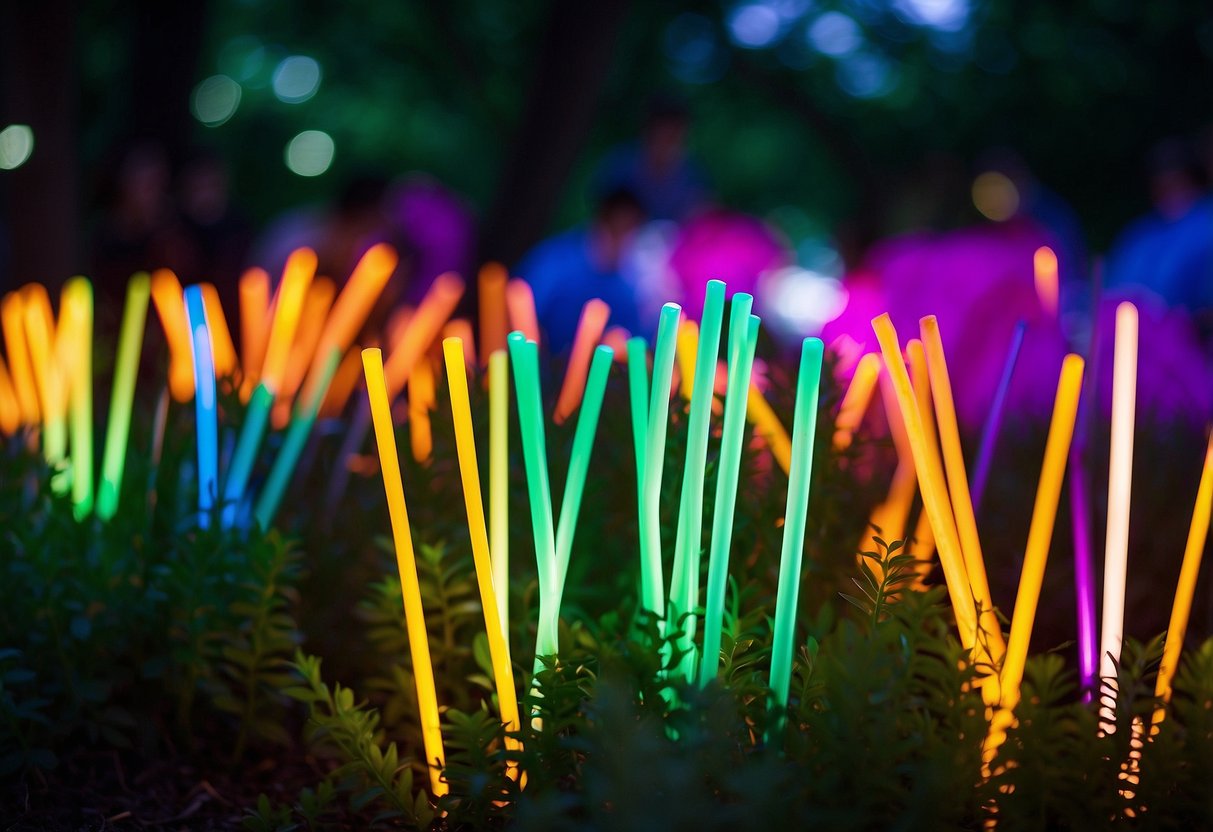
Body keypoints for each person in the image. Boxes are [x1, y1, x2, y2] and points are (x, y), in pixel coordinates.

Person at [515, 188, 646, 352]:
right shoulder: (555, 261)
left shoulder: (627, 286)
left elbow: (633, 337)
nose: (622, 240)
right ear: (599, 221)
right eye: (617, 229)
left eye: (630, 231)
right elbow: (520, 310)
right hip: (535, 366)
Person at [1105, 137, 1213, 316]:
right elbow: (1113, 292)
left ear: (1193, 181)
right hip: (1130, 331)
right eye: (1160, 185)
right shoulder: (1139, 234)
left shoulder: (1205, 225)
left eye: (1176, 182)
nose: (1169, 192)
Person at [594, 95, 709, 222]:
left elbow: (701, 216)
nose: (669, 140)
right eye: (665, 131)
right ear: (648, 129)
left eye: (676, 133)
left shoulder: (693, 175)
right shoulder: (620, 164)